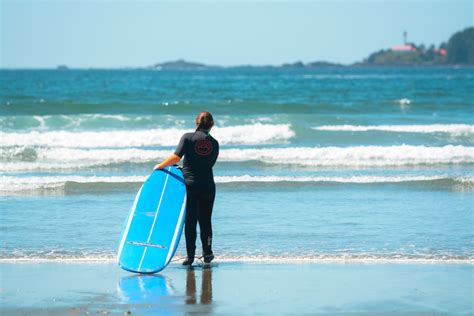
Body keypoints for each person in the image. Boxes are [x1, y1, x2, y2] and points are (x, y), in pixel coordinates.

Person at [154, 111, 219, 267]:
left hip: (191, 185)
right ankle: (207, 253)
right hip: (208, 185)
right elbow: (207, 164)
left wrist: (160, 165)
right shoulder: (215, 143)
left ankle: (190, 257)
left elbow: (177, 157)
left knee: (190, 221)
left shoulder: (188, 137)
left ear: (196, 123)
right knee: (205, 220)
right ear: (212, 125)